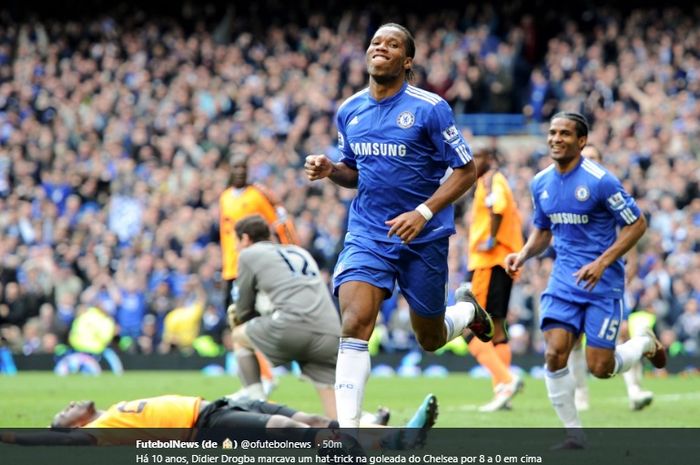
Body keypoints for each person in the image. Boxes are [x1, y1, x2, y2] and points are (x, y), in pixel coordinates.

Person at [304, 22, 493, 428]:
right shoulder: (350, 110)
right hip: (369, 232)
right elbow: (355, 172)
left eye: (392, 44)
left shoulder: (430, 108)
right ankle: (348, 436)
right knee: (354, 323)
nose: (381, 48)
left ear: (407, 61)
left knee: (430, 338)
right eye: (375, 42)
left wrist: (422, 213)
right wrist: (330, 169)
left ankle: (466, 311)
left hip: (424, 237)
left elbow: (466, 170)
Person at [505, 112, 666, 449]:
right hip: (563, 282)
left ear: (581, 141)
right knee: (554, 354)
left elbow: (637, 224)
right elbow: (543, 230)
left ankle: (644, 343)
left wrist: (603, 261)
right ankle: (573, 433)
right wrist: (523, 254)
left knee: (601, 368)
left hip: (602, 284)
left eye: (565, 133)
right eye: (552, 132)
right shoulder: (540, 183)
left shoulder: (600, 180)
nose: (556, 139)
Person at [0, 393, 439, 451]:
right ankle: (377, 445)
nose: (69, 404)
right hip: (205, 425)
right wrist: (12, 437)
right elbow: (48, 441)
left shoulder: (112, 409)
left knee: (310, 418)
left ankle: (385, 436)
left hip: (218, 404)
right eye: (63, 413)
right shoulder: (101, 431)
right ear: (73, 426)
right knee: (292, 432)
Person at [227, 214, 340, 418]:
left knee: (238, 336)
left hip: (291, 326)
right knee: (337, 414)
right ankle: (371, 427)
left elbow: (243, 310)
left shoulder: (249, 254)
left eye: (235, 242)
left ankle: (256, 401)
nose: (234, 247)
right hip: (330, 330)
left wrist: (248, 314)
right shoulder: (299, 251)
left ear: (244, 238)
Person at [567, 144, 653, 411]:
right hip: (574, 276)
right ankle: (580, 393)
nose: (588, 162)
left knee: (622, 333)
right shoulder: (568, 192)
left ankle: (634, 390)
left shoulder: (610, 191)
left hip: (608, 278)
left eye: (593, 158)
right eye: (585, 157)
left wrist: (631, 270)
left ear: (601, 162)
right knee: (571, 338)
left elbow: (632, 229)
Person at [219, 154, 299, 395]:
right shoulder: (224, 198)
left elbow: (277, 224)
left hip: (251, 268)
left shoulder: (257, 195)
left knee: (248, 323)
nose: (241, 171)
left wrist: (290, 252)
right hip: (230, 269)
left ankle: (263, 378)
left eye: (244, 166)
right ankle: (258, 379)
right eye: (236, 166)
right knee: (238, 324)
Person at [459, 147, 524, 412]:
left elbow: (497, 207)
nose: (472, 162)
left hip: (489, 262)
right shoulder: (492, 180)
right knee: (497, 328)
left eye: (478, 157)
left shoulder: (490, 180)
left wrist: (491, 239)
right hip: (503, 261)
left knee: (468, 327)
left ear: (490, 160)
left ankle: (506, 380)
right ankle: (503, 392)